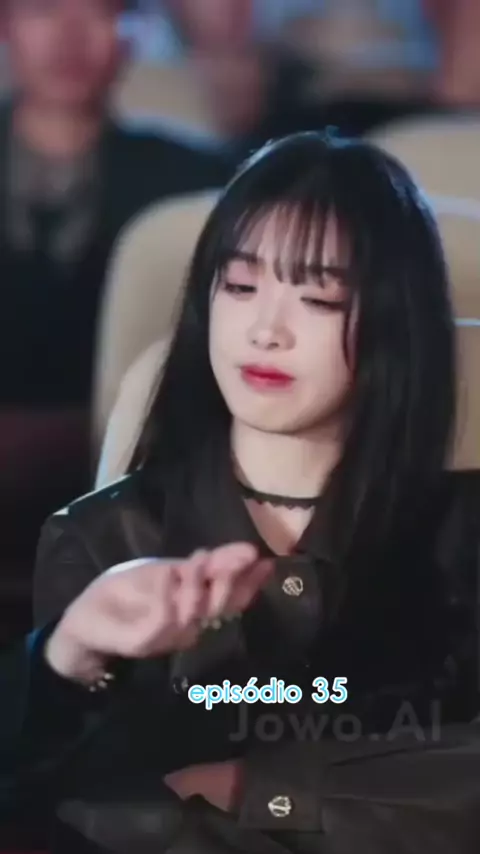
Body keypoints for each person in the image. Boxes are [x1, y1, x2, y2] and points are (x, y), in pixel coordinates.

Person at [1, 131, 480, 853]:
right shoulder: (108, 537)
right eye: (241, 286)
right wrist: (68, 655)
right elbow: (66, 803)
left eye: (318, 297)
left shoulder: (461, 533)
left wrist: (261, 788)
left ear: (394, 321)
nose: (265, 331)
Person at [0, 0, 231, 642]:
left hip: (138, 473)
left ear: (134, 35)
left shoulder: (198, 181)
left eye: (101, 12)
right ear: (6, 23)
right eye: (45, 9)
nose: (70, 37)